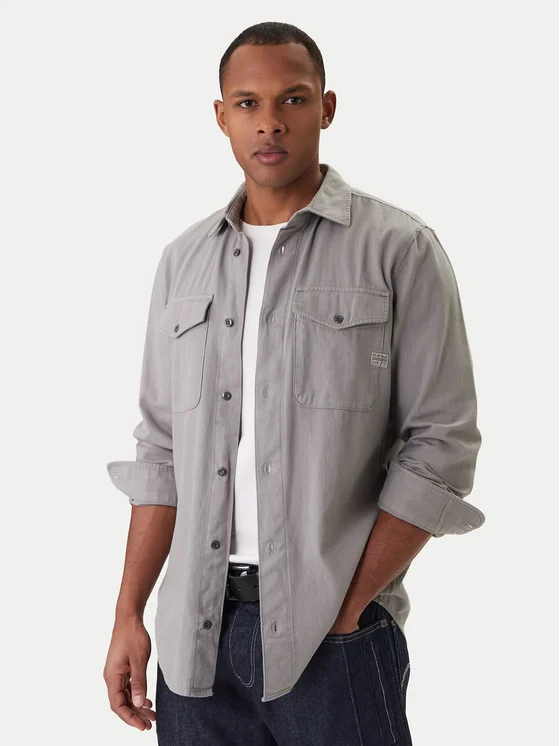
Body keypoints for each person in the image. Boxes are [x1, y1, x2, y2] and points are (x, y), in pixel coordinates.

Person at [102, 20, 485, 745]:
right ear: (221, 116)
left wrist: (349, 606)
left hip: (337, 641)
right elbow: (160, 452)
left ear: (327, 108)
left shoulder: (398, 249)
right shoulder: (183, 262)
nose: (269, 122)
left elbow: (441, 445)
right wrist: (129, 613)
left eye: (293, 99)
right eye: (247, 103)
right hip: (193, 642)